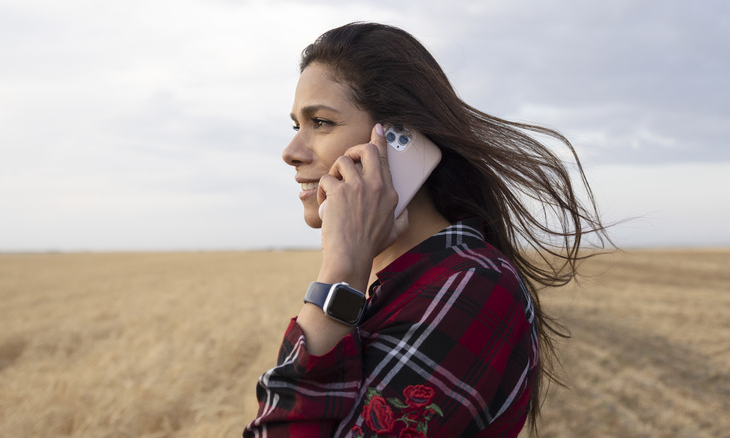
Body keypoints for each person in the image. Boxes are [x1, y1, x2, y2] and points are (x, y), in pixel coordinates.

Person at [244, 22, 610, 437]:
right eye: (297, 126)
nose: (290, 153)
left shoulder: (473, 286)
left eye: (321, 123)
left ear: (402, 143)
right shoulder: (401, 288)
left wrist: (340, 271)